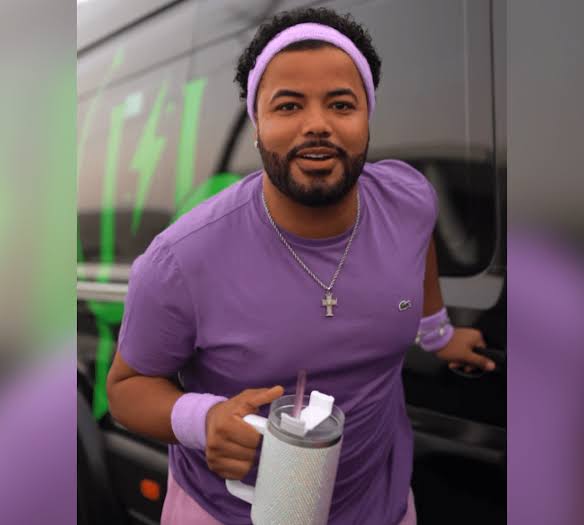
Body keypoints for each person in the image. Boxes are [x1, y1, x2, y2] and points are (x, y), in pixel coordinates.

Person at [106, 7, 495, 525]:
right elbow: (126, 388)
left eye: (341, 104)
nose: (317, 125)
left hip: (383, 506)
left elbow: (417, 246)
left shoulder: (408, 200)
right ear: (257, 123)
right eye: (288, 105)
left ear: (367, 117)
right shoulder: (181, 258)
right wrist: (204, 419)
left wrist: (437, 331)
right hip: (228, 513)